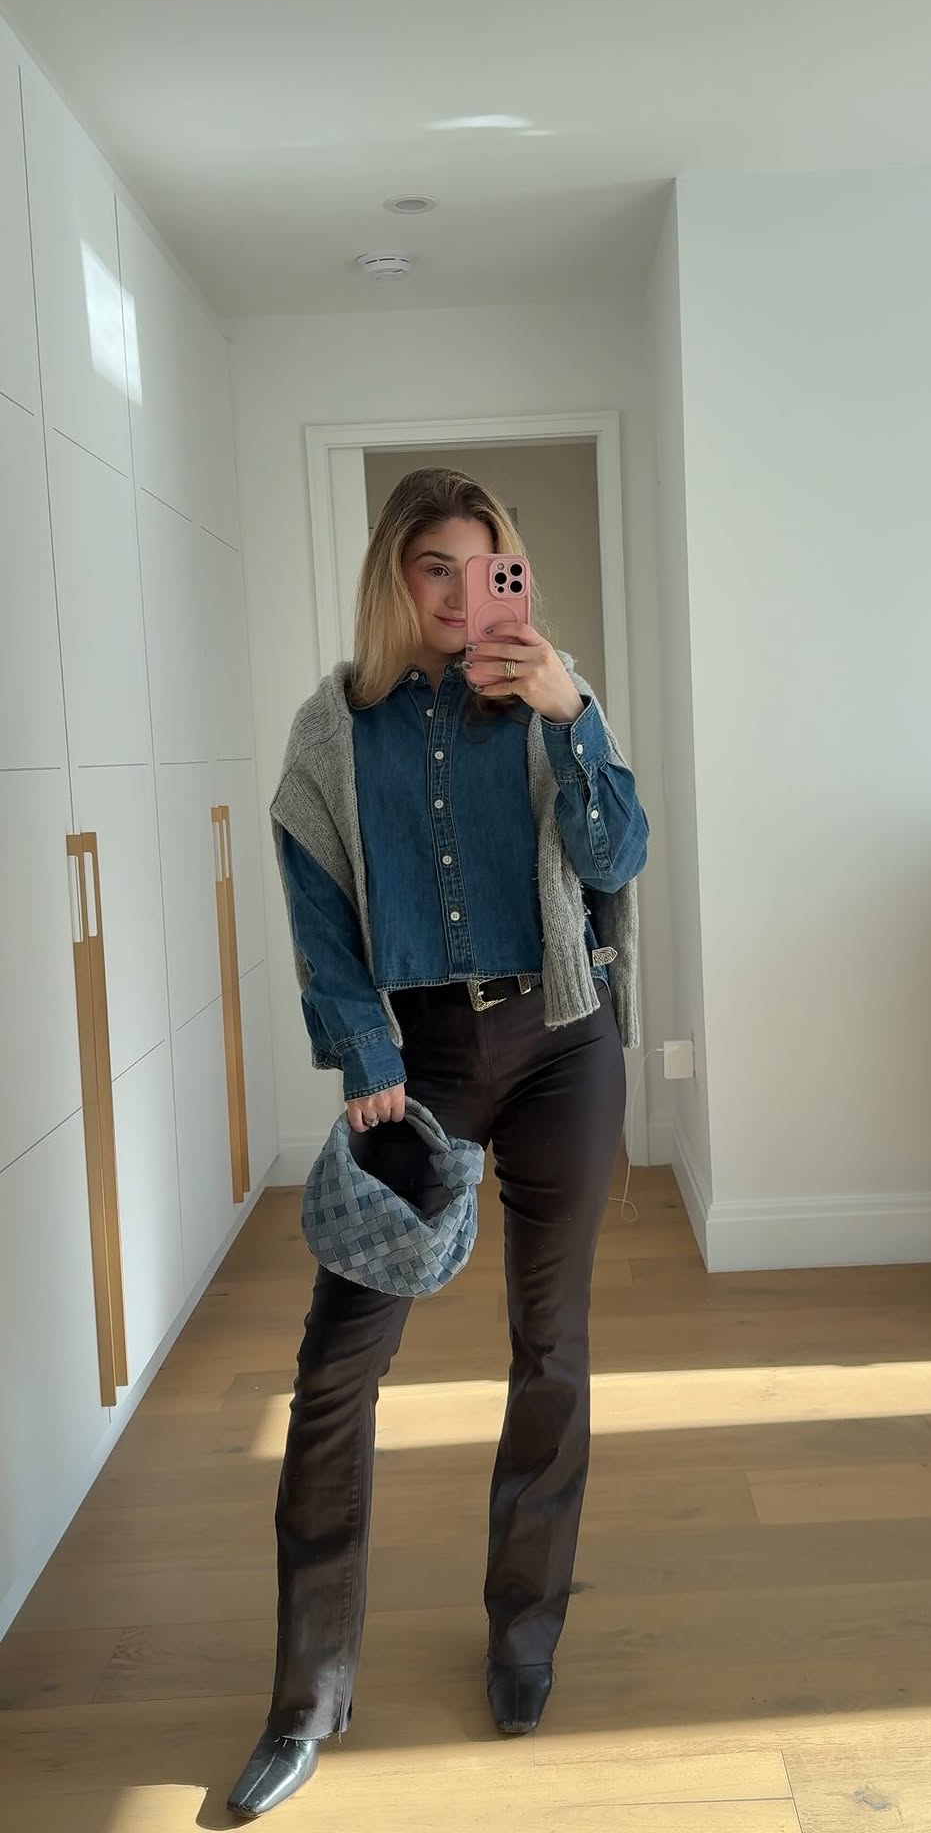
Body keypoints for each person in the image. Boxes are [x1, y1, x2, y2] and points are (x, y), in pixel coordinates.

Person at [227, 467, 648, 1819]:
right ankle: (307, 1697)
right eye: (436, 571)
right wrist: (364, 1054)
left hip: (562, 1039)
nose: (467, 597)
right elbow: (315, 903)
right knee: (336, 1368)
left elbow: (616, 859)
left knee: (552, 1345)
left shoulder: (552, 697)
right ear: (392, 580)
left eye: (488, 567)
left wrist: (573, 719)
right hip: (418, 1066)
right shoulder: (334, 727)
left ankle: (524, 1636)